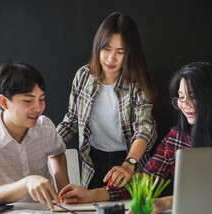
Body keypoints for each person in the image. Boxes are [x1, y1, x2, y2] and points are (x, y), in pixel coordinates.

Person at [58, 62, 212, 214]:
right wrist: (92, 194)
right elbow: (141, 184)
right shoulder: (176, 140)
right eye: (181, 98)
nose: (185, 105)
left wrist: (166, 203)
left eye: (193, 97)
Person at [57, 12, 157, 189]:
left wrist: (129, 163)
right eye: (106, 49)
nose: (111, 58)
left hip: (129, 160)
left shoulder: (137, 82)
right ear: (98, 47)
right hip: (93, 163)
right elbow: (71, 120)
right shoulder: (83, 76)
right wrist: (46, 144)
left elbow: (144, 128)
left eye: (120, 52)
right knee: (93, 212)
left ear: (130, 54)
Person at [0, 61, 69, 209]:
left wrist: (64, 192)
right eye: (28, 101)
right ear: (4, 102)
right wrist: (27, 182)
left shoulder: (45, 126)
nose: (38, 108)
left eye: (42, 99)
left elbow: (58, 152)